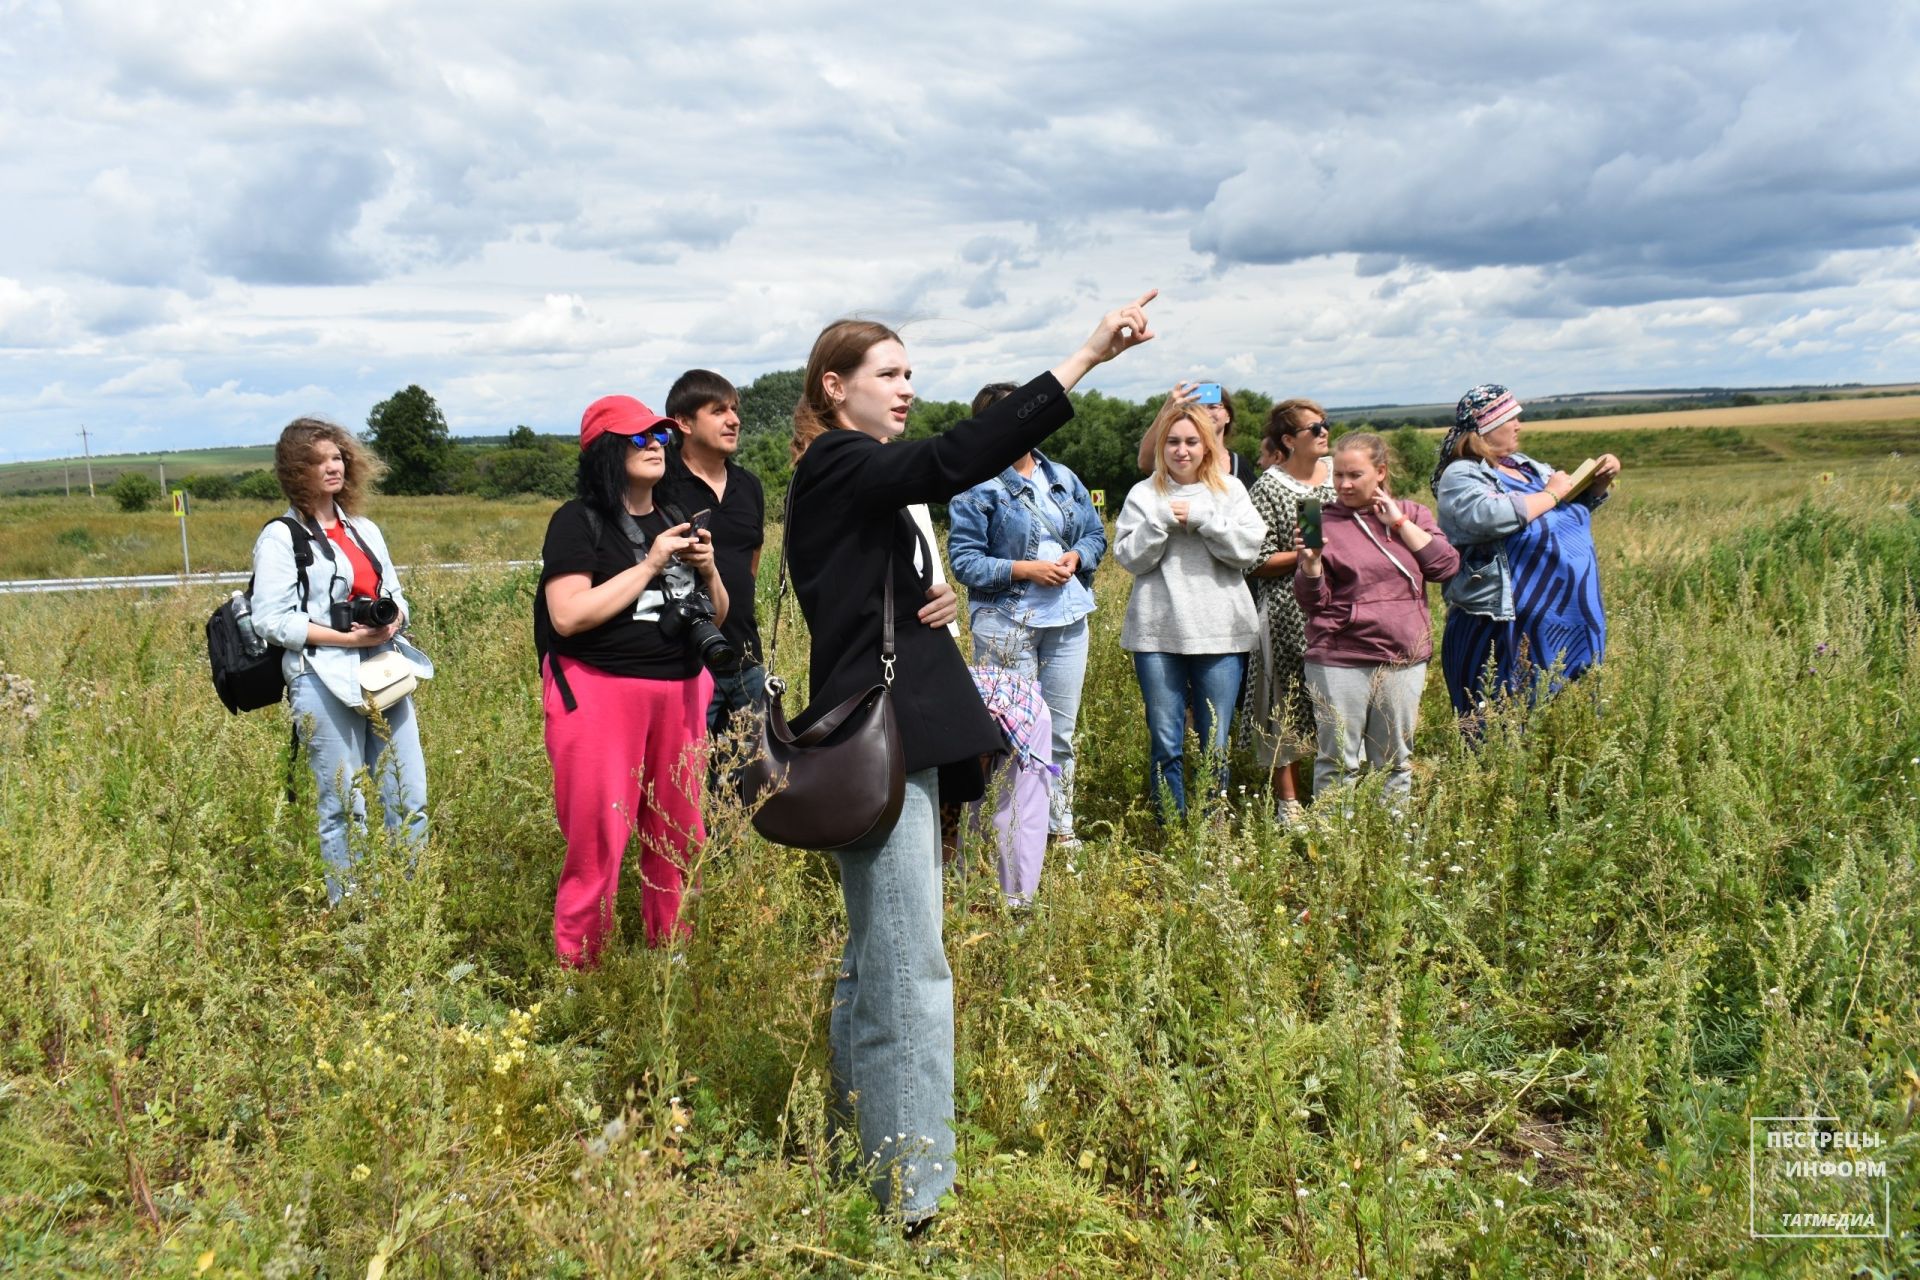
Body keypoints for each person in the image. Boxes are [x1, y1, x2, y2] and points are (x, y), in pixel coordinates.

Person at [784, 292, 1157, 1226]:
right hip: (881, 739)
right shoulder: (839, 459)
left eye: (912, 373)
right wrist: (1083, 359)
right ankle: (912, 1197)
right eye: (889, 374)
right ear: (835, 390)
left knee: (879, 960)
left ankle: (859, 1142)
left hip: (894, 731)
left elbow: (868, 579)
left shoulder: (856, 479)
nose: (908, 389)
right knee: (911, 967)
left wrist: (927, 600)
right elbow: (959, 459)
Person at [537, 395, 728, 966]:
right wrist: (647, 565)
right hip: (598, 688)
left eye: (661, 438)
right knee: (599, 833)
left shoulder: (674, 519)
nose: (654, 446)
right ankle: (580, 965)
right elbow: (567, 615)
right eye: (639, 437)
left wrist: (709, 570)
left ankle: (671, 953)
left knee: (678, 829)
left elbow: (714, 616)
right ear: (605, 450)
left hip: (681, 688)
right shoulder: (578, 520)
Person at [249, 418, 432, 904]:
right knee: (344, 808)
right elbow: (270, 619)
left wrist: (390, 623)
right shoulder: (282, 538)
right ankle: (352, 921)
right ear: (295, 471)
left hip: (382, 671)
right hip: (321, 678)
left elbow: (394, 594)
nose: (331, 467)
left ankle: (408, 909)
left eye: (336, 457)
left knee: (409, 797)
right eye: (317, 460)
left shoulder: (365, 530)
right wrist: (342, 639)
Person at [948, 381, 1106, 848]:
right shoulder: (975, 486)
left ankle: (1060, 829)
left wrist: (1077, 557)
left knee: (1060, 731)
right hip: (1006, 621)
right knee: (1008, 734)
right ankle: (1009, 836)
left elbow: (1096, 535)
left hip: (1068, 619)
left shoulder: (1062, 476)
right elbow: (965, 562)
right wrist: (1026, 569)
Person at [1432, 384, 1621, 729]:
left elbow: (1564, 510)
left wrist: (1596, 484)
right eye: (1511, 418)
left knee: (1564, 720)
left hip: (1567, 617)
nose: (1519, 424)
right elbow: (1490, 516)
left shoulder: (1527, 466)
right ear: (1488, 425)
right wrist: (1552, 493)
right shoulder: (1463, 473)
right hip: (1503, 624)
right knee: (1498, 715)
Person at [1113, 401, 1267, 819]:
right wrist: (1158, 523)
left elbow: (1247, 552)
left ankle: (1209, 823)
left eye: (1191, 442)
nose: (1182, 451)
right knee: (1166, 738)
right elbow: (1129, 559)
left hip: (1221, 631)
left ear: (1207, 446)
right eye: (1174, 442)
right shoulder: (1144, 494)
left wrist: (1205, 519)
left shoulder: (1229, 490)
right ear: (1162, 446)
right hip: (1157, 632)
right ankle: (1172, 826)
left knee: (1215, 739)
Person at [1293, 433, 1459, 803]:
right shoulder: (1313, 516)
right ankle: (1335, 846)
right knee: (1337, 759)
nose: (1344, 484)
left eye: (1355, 475)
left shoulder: (1413, 513)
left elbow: (1445, 566)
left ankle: (1390, 842)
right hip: (1339, 658)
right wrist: (1310, 563)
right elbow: (1311, 603)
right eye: (1337, 475)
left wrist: (1398, 522)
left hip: (1402, 655)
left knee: (1394, 760)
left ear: (1380, 472)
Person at [660, 369, 766, 780]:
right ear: (684, 423)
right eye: (718, 410)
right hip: (685, 662)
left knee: (751, 784)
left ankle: (736, 848)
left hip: (746, 659)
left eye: (735, 409)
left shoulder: (749, 485)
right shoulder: (661, 483)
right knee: (683, 784)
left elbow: (751, 558)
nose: (733, 419)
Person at [1243, 399, 1335, 821]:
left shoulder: (1339, 474)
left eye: (1326, 425)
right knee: (1288, 702)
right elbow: (1255, 561)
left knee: (1335, 703)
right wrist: (1303, 556)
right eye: (1314, 428)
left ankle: (1334, 794)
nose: (1324, 433)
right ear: (1288, 440)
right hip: (1286, 610)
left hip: (1339, 606)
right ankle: (1289, 802)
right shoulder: (1270, 487)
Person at [1136, 380, 1256, 484]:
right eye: (1198, 408)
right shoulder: (1181, 459)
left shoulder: (1239, 466)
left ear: (1228, 415)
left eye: (1213, 407)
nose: (1206, 413)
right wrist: (1166, 410)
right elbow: (1145, 463)